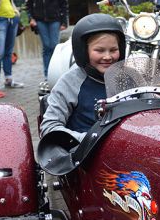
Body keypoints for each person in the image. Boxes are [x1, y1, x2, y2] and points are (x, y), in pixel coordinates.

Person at [40, 13, 124, 143]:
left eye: (113, 50)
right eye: (100, 50)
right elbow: (49, 127)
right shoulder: (70, 82)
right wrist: (89, 139)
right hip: (85, 154)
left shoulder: (130, 78)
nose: (108, 57)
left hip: (126, 150)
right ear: (83, 51)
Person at [26, 0, 68, 79]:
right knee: (46, 47)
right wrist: (31, 19)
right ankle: (47, 74)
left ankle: (56, 73)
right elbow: (28, 4)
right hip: (40, 20)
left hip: (55, 20)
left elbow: (64, 5)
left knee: (54, 46)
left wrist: (64, 21)